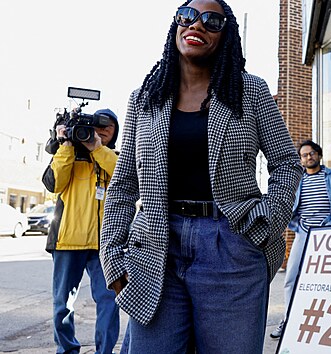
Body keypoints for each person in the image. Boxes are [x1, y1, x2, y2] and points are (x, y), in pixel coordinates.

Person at [98, 0, 302, 352]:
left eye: (212, 20)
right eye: (187, 16)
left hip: (231, 246)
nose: (197, 25)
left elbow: (286, 162)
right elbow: (124, 185)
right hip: (156, 247)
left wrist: (268, 219)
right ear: (176, 25)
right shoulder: (144, 99)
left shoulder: (249, 91)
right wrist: (112, 256)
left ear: (226, 35)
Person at [42, 108, 120, 354]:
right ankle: (66, 351)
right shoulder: (67, 154)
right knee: (61, 306)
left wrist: (97, 149)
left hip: (104, 245)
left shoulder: (113, 157)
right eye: (99, 126)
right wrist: (65, 144)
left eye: (109, 127)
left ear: (115, 133)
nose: (103, 131)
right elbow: (54, 184)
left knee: (109, 302)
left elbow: (126, 179)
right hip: (67, 241)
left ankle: (104, 352)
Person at [270, 140, 331, 339]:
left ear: (319, 154)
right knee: (292, 278)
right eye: (305, 155)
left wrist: (330, 225)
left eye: (312, 153)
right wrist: (298, 227)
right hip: (304, 234)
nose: (309, 157)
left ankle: (325, 323)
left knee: (327, 280)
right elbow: (289, 208)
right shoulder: (299, 181)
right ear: (301, 160)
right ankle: (288, 320)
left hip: (328, 235)